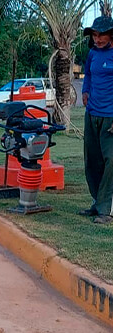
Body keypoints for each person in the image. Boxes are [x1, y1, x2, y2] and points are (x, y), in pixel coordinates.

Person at [81, 16, 113, 224]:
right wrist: (84, 91)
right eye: (94, 35)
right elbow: (88, 75)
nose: (98, 39)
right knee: (92, 160)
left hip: (110, 116)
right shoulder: (93, 53)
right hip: (92, 114)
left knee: (111, 161)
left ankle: (106, 209)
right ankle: (97, 202)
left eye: (101, 34)